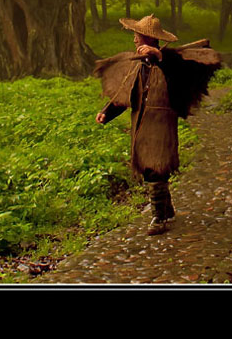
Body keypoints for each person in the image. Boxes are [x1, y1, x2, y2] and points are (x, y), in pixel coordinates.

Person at [93, 15, 221, 235]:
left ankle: (158, 218)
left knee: (156, 166)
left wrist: (160, 57)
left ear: (148, 39)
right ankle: (167, 209)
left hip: (161, 123)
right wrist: (107, 113)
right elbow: (125, 94)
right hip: (142, 122)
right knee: (149, 168)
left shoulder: (171, 63)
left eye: (137, 35)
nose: (134, 39)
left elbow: (179, 80)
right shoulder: (137, 65)